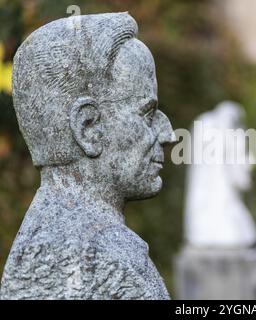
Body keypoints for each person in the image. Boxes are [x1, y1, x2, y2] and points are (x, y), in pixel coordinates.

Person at [0, 12, 176, 299]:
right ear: (88, 129)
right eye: (147, 114)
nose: (169, 134)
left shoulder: (87, 247)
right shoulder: (78, 260)